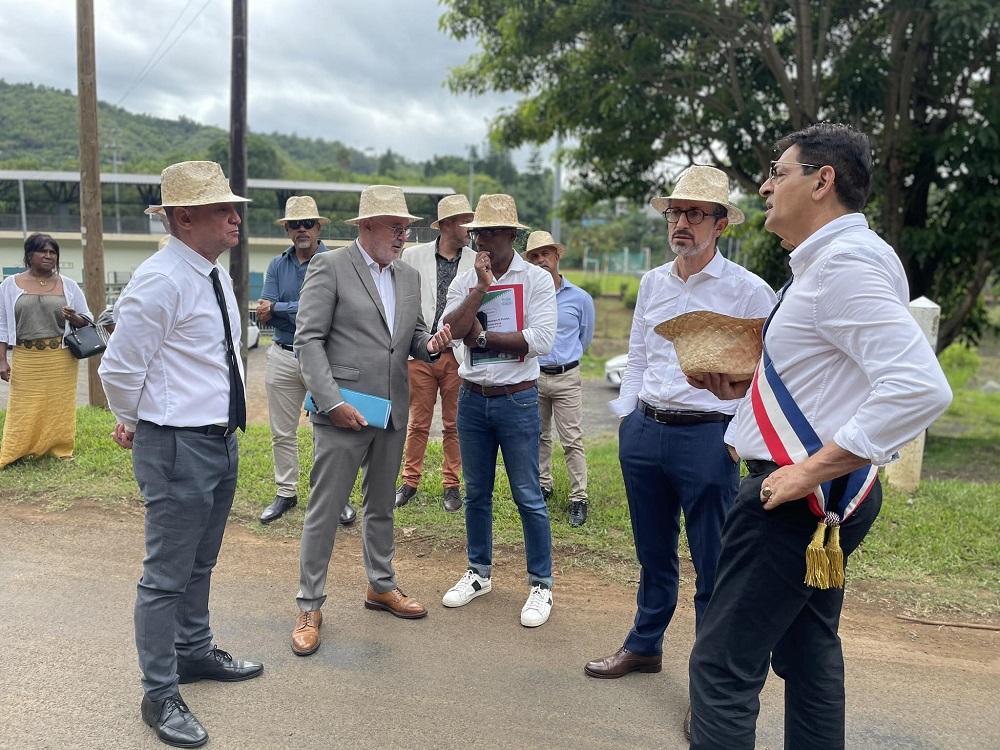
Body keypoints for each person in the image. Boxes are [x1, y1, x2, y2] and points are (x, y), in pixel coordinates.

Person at [687, 124, 952, 749]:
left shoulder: (841, 266)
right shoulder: (841, 259)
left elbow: (920, 387)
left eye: (778, 173)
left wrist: (809, 471)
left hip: (795, 500)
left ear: (821, 181)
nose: (765, 186)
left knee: (722, 667)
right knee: (808, 653)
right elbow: (835, 375)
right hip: (825, 499)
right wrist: (746, 388)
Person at [585, 166, 776, 740]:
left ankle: (708, 687)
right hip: (647, 431)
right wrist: (627, 418)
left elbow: (765, 377)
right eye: (675, 212)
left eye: (695, 214)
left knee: (713, 564)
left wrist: (734, 439)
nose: (682, 223)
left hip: (708, 437)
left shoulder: (749, 291)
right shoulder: (652, 283)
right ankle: (645, 645)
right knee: (653, 552)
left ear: (721, 224)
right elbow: (638, 355)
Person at [99, 161, 264, 749]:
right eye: (224, 209)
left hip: (216, 439)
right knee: (166, 575)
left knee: (199, 561)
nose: (236, 217)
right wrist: (134, 420)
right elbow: (118, 369)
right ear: (186, 218)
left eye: (234, 207)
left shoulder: (211, 273)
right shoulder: (161, 280)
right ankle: (159, 692)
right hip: (177, 443)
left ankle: (192, 652)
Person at [290, 185, 453, 657]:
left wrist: (432, 343)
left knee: (381, 505)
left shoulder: (408, 276)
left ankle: (380, 585)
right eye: (395, 227)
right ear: (365, 227)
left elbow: (412, 337)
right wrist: (331, 401)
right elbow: (308, 340)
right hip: (343, 411)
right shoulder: (330, 266)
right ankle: (309, 604)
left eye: (406, 228)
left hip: (392, 410)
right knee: (326, 509)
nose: (403, 236)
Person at [440, 194, 558, 628]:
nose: (481, 240)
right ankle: (479, 572)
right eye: (476, 233)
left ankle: (541, 583)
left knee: (528, 494)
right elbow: (451, 330)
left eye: (490, 232)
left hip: (518, 399)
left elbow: (541, 339)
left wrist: (484, 339)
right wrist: (481, 288)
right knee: (476, 493)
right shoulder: (465, 277)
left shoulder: (537, 280)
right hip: (472, 398)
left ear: (511, 234)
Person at [256, 196, 356, 526]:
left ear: (318, 228)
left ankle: (334, 496)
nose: (302, 229)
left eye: (308, 224)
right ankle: (286, 491)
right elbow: (263, 313)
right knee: (281, 431)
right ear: (287, 229)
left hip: (324, 357)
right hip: (282, 354)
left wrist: (280, 308)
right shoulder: (277, 265)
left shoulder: (336, 262)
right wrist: (289, 309)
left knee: (327, 431)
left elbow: (332, 309)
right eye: (295, 224)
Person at [395, 194, 476, 512]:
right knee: (418, 422)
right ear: (446, 225)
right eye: (464, 222)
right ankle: (409, 481)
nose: (470, 228)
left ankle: (451, 486)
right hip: (421, 350)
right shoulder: (414, 256)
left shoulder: (476, 260)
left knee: (454, 424)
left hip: (457, 353)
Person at [0, 233, 93, 468]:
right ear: (29, 255)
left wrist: (74, 317)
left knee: (59, 405)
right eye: (43, 251)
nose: (49, 256)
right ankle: (16, 451)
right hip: (26, 356)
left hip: (61, 357)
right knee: (23, 406)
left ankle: (60, 449)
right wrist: (2, 360)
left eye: (53, 252)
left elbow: (87, 320)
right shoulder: (9, 285)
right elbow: (1, 325)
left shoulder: (68, 285)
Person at [523, 230, 595, 527]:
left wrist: (566, 357)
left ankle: (579, 498)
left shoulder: (580, 298)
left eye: (545, 254)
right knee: (539, 434)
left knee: (572, 439)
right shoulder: (527, 297)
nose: (541, 260)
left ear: (556, 256)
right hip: (534, 375)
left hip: (567, 377)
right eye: (534, 256)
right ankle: (544, 484)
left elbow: (584, 337)